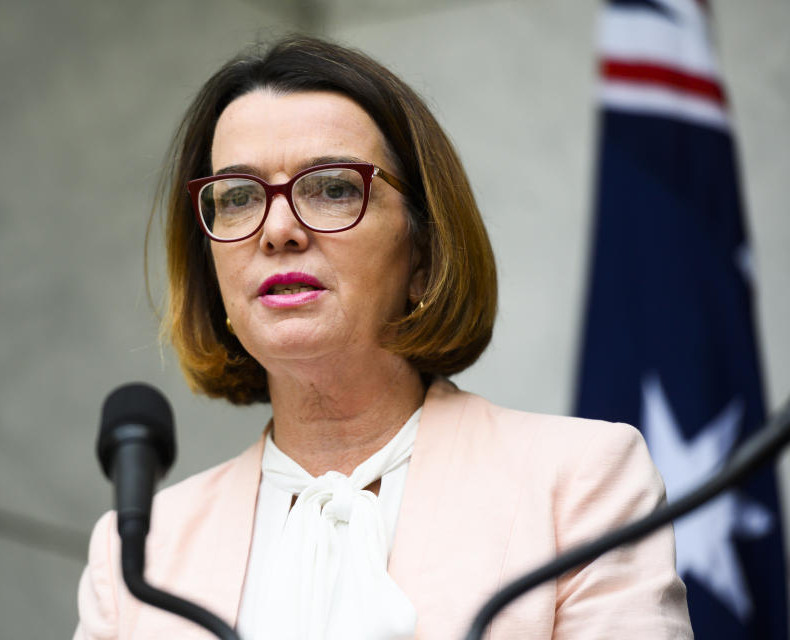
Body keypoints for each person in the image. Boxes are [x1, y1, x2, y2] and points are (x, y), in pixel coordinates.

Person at [74, 35, 693, 639]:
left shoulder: (578, 483)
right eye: (237, 197)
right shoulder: (137, 556)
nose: (279, 229)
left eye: (335, 187)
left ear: (423, 251)